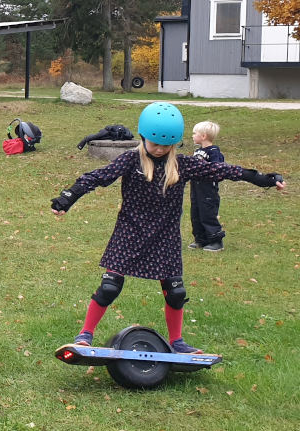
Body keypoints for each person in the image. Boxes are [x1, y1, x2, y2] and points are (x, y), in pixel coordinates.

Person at [51, 102, 285, 354]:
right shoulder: (131, 160)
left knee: (175, 292)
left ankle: (177, 342)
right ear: (143, 137)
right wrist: (68, 197)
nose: (160, 149)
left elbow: (224, 170)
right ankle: (85, 334)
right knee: (110, 286)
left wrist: (265, 179)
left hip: (165, 235)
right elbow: (97, 177)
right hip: (130, 232)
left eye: (167, 145)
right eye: (155, 144)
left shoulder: (182, 164)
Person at [189, 120, 226, 251]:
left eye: (195, 133)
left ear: (203, 136)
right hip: (196, 189)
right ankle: (200, 239)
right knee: (196, 213)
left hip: (208, 191)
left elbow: (218, 170)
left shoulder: (214, 152)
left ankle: (216, 240)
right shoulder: (198, 151)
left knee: (207, 214)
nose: (192, 136)